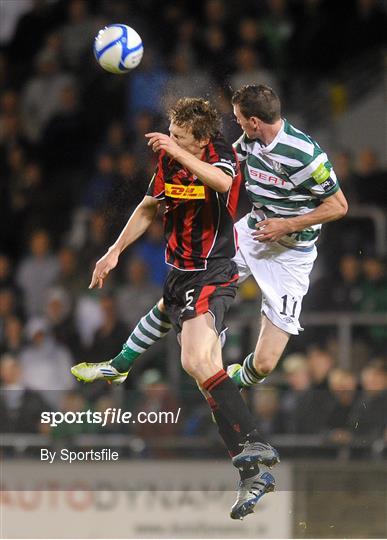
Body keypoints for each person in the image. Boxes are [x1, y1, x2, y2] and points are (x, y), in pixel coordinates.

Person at [71, 97, 277, 520]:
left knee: (193, 358)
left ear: (202, 140)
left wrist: (175, 147)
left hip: (213, 271)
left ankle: (256, 442)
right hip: (180, 274)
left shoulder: (221, 155)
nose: (169, 142)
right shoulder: (171, 160)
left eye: (181, 137)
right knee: (206, 375)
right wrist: (113, 252)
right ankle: (252, 470)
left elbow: (221, 185)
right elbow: (149, 206)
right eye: (171, 133)